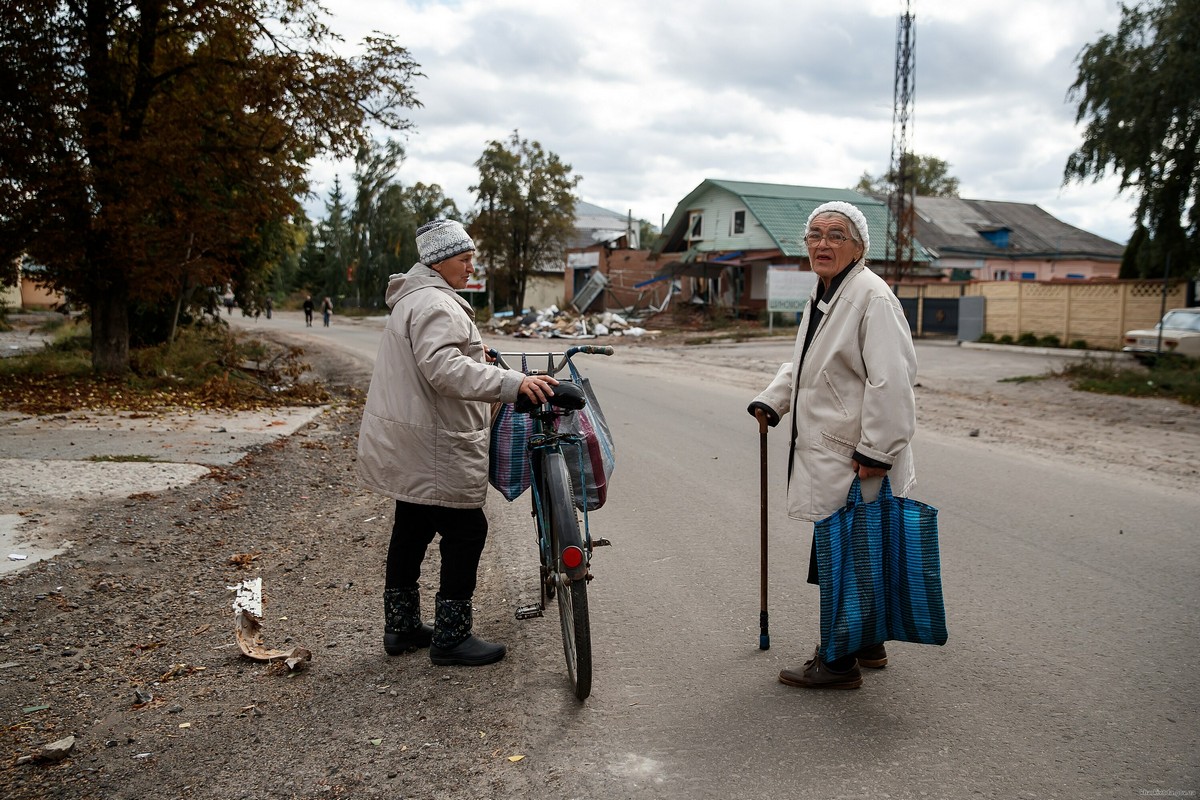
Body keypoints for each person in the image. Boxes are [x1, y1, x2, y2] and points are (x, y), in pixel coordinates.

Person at [357, 219, 559, 667]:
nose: (472, 267)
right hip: (432, 440)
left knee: (411, 526)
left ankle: (401, 626)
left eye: (471, 258)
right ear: (438, 261)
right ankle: (451, 637)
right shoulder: (435, 304)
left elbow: (439, 359)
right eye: (465, 259)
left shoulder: (417, 298)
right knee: (468, 530)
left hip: (413, 435)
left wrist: (476, 359)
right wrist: (512, 382)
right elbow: (442, 369)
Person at [748, 200, 918, 690]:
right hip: (834, 446)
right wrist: (773, 399)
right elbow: (808, 365)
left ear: (859, 247)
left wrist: (878, 452)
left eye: (836, 235)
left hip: (854, 451)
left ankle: (838, 660)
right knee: (852, 547)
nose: (823, 243)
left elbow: (894, 381)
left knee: (847, 552)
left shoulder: (871, 296)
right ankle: (868, 643)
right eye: (815, 234)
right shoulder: (826, 292)